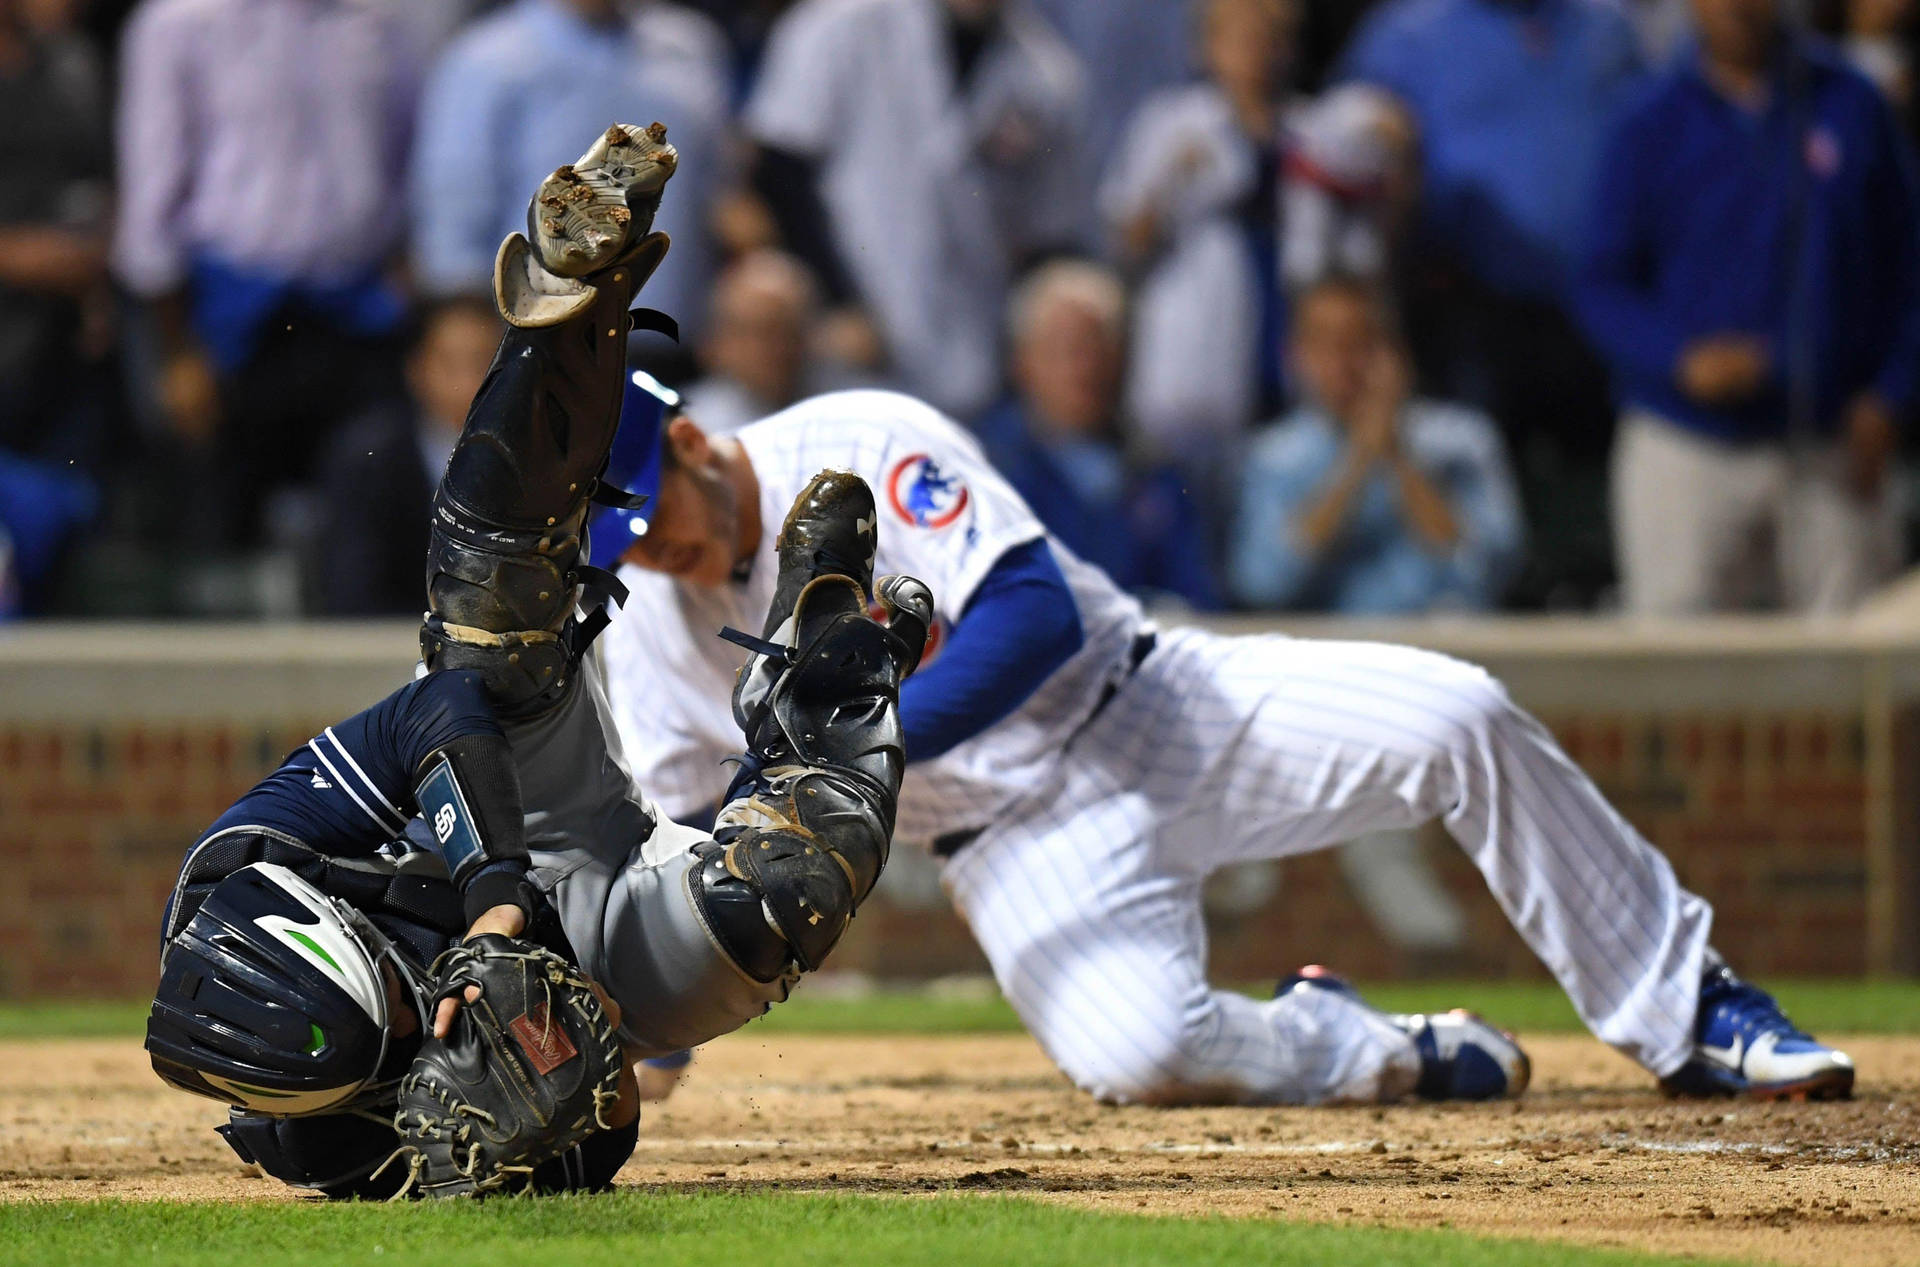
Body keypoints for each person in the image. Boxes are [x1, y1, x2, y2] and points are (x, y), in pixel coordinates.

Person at [593, 372, 1857, 1108]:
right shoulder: (649, 626)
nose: (656, 547)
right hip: (1009, 843)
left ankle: (1694, 1013)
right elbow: (702, 839)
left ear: (696, 442)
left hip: (1156, 704)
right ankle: (1368, 1046)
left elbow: (1027, 611)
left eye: (656, 511)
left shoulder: (856, 443)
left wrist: (861, 754)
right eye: (625, 539)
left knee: (1463, 713)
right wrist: (651, 1028)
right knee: (1141, 1055)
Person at [142, 122, 931, 1197]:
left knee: (488, 636)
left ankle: (565, 302)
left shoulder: (257, 853)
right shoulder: (325, 1137)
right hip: (589, 948)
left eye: (409, 1010)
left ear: (350, 936)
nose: (422, 1029)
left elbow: (441, 712)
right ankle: (821, 685)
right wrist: (563, 1079)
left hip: (516, 805)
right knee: (792, 884)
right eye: (407, 1047)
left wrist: (494, 899)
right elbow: (604, 1130)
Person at [1576, 0, 1920, 613]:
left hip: (1831, 439)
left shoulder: (1849, 101)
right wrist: (1677, 357)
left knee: (1851, 675)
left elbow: (1909, 264)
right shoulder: (1646, 118)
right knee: (1680, 677)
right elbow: (1599, 283)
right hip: (1686, 443)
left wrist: (1890, 395)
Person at [1339, 0, 1645, 606]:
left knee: (1595, 492)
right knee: (1481, 475)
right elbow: (1340, 143)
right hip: (1465, 304)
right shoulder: (1406, 33)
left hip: (1594, 303)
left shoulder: (1606, 28)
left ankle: (1586, 603)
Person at [113, 0, 419, 546]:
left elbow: (404, 160)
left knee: (363, 511)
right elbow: (151, 196)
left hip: (355, 308)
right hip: (225, 313)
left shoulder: (377, 22)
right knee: (222, 523)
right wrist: (178, 351)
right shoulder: (180, 23)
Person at [741, 0, 1090, 420]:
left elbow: (1048, 237)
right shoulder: (841, 25)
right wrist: (836, 302)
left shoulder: (1047, 73)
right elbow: (778, 173)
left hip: (974, 361)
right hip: (847, 349)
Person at [409, 0, 733, 345]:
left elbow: (722, 196)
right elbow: (454, 213)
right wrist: (463, 316)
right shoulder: (485, 60)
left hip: (670, 332)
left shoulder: (690, 47)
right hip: (539, 340)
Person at [1230, 275, 1523, 613]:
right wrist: (1358, 461)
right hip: (1329, 654)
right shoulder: (1273, 456)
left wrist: (1397, 454)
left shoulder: (1463, 440)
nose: (1343, 363)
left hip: (1440, 647)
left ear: (1393, 350)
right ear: (1297, 355)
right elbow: (1262, 583)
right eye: (1325, 343)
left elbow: (1488, 570)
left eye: (1359, 341)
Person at [973, 260, 1221, 609]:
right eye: (1065, 350)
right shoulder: (983, 474)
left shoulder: (1159, 473)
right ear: (1023, 363)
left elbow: (1198, 598)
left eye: (1099, 348)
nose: (1085, 368)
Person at [308, 298, 500, 616]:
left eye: (482, 363)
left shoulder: (551, 458)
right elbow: (351, 591)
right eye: (451, 365)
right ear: (417, 369)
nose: (468, 383)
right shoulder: (367, 461)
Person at [680, 250, 845, 437]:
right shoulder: (689, 429)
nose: (777, 348)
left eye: (789, 329)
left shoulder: (851, 411)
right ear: (719, 341)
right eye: (761, 332)